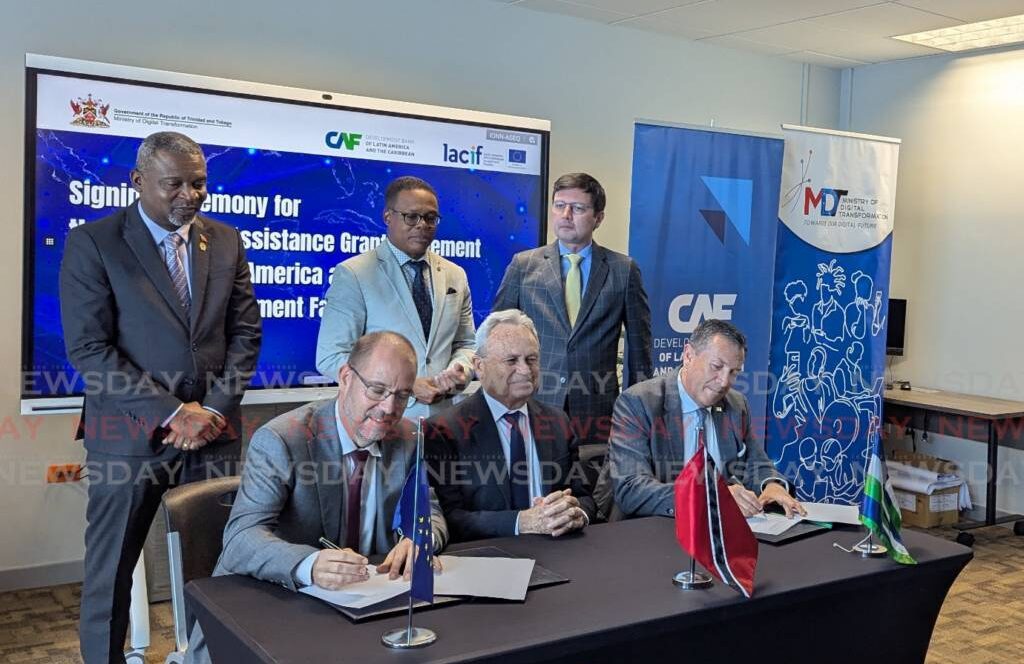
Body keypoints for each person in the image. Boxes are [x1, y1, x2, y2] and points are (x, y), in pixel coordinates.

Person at [59, 131, 261, 664]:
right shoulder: (95, 242)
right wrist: (173, 413)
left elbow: (245, 335)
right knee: (112, 570)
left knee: (213, 569)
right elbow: (89, 350)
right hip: (126, 437)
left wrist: (212, 411)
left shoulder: (225, 240)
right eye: (174, 184)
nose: (189, 196)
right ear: (138, 182)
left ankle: (202, 658)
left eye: (199, 184)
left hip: (212, 437)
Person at [187, 331, 447, 664]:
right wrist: (308, 565)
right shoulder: (282, 440)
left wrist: (418, 538)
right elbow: (240, 539)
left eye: (402, 395)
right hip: (270, 608)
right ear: (345, 377)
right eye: (378, 390)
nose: (389, 408)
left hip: (361, 612)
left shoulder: (410, 437)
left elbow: (431, 512)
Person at [493, 172, 651, 447]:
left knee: (591, 487)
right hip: (533, 402)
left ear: (598, 217)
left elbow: (639, 351)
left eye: (578, 208)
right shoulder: (524, 265)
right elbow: (497, 337)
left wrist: (635, 413)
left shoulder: (623, 270)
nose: (566, 214)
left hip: (598, 410)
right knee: (536, 485)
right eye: (559, 205)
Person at [603, 319, 804, 520]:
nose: (725, 382)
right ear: (688, 355)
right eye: (717, 366)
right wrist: (710, 497)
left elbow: (755, 462)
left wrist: (772, 485)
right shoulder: (638, 403)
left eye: (734, 372)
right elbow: (631, 489)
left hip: (721, 531)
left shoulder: (736, 404)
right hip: (655, 530)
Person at [427, 309, 596, 542]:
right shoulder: (445, 430)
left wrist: (576, 513)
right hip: (488, 560)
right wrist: (521, 522)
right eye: (511, 361)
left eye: (531, 359)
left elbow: (585, 498)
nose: (525, 370)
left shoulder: (558, 422)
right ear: (479, 366)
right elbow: (450, 518)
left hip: (559, 552)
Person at [316, 176, 475, 420]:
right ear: (388, 217)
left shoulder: (455, 275)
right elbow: (330, 356)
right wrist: (407, 387)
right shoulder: (355, 274)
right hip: (383, 421)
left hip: (445, 422)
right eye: (411, 216)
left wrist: (460, 370)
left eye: (430, 218)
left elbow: (466, 344)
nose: (422, 225)